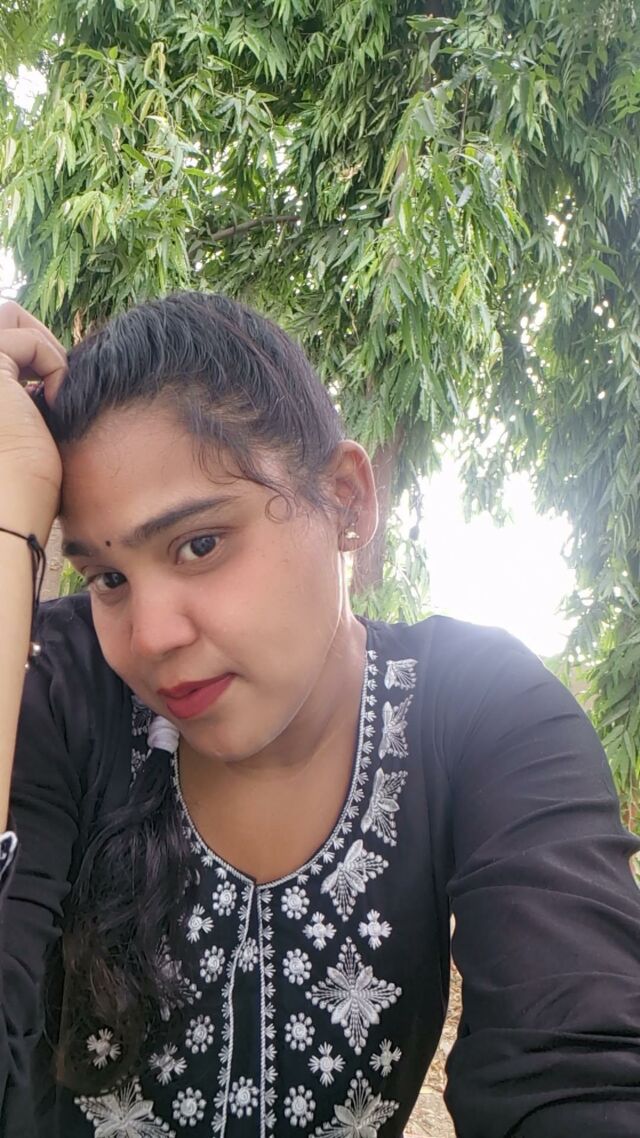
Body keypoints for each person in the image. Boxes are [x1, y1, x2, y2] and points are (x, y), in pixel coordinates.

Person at [0, 293, 638, 1138]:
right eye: (108, 579)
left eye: (199, 544)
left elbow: (581, 1070)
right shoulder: (56, 687)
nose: (149, 638)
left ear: (345, 500)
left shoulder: (479, 712)